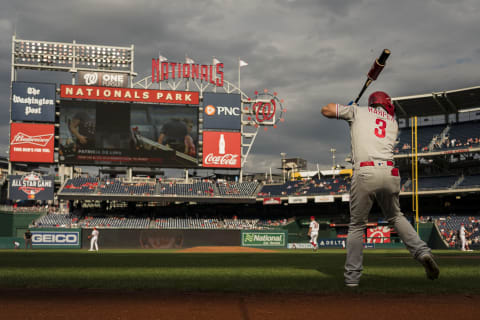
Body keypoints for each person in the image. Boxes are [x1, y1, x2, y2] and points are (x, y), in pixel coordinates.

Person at [321, 91, 439, 287]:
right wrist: (350, 112)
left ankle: (352, 278)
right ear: (387, 105)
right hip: (390, 173)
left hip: (366, 171)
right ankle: (423, 252)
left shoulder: (358, 111)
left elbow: (325, 110)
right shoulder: (392, 123)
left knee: (357, 225)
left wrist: (347, 108)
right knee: (396, 216)